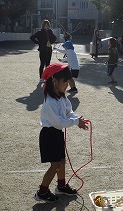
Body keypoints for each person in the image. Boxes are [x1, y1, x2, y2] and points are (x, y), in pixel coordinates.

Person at [34, 63, 89, 203]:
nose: (68, 85)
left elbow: (68, 112)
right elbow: (59, 122)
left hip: (57, 134)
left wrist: (78, 120)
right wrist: (75, 122)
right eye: (66, 81)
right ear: (54, 81)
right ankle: (42, 191)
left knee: (62, 161)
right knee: (55, 165)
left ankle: (61, 185)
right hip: (49, 135)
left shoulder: (62, 97)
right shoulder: (51, 101)